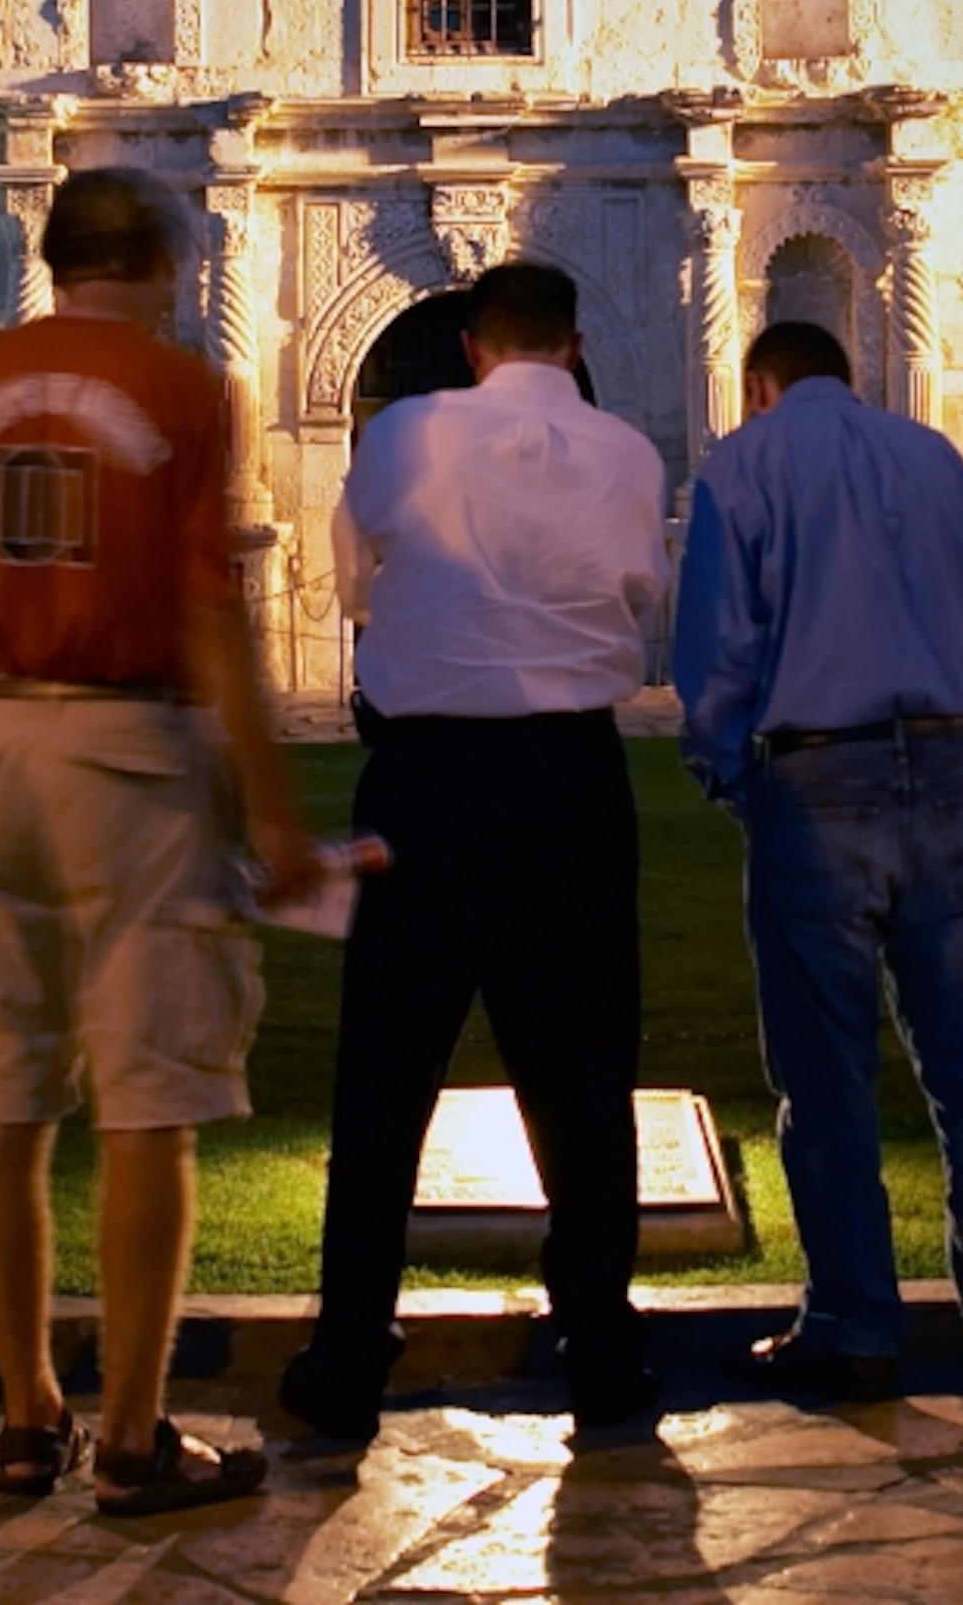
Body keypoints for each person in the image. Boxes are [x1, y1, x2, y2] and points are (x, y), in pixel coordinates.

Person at [0, 168, 322, 1516]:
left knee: (9, 1092)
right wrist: (271, 805)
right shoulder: (178, 391)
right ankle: (137, 1432)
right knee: (150, 1098)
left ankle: (30, 1415)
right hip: (125, 749)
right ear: (157, 258)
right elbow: (211, 611)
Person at [278, 260, 671, 1443]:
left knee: (385, 1076)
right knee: (588, 1078)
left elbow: (354, 587)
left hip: (429, 784)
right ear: (575, 340)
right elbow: (641, 595)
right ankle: (601, 1347)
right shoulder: (629, 454)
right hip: (571, 781)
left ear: (470, 345)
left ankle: (351, 1353)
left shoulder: (403, 437)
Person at [672, 320, 963, 1411]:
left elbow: (717, 647)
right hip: (952, 776)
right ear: (846, 375)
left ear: (759, 385)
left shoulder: (745, 465)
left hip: (818, 783)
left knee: (826, 1080)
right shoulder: (935, 458)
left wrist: (729, 771)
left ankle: (855, 1323)